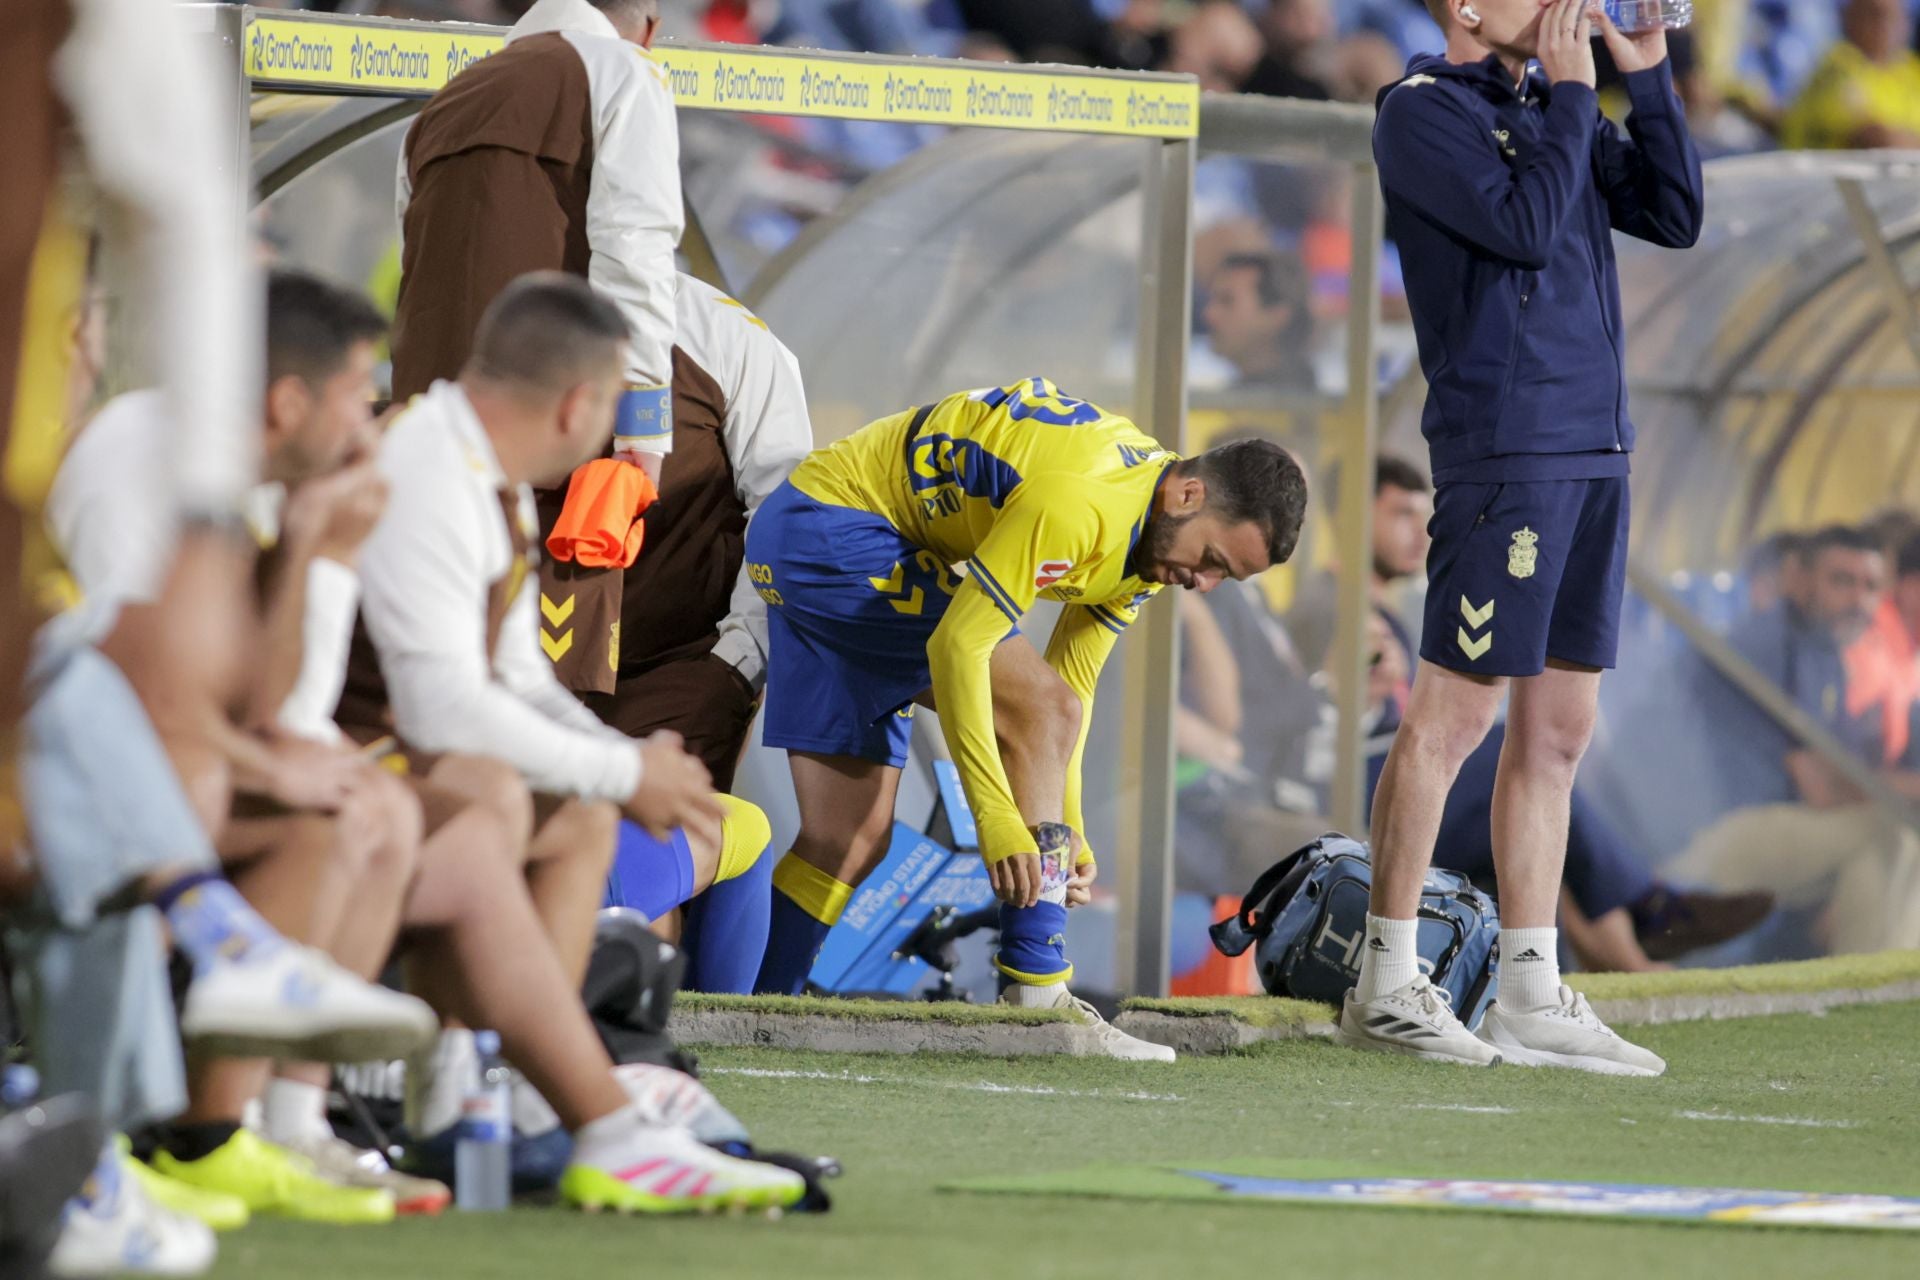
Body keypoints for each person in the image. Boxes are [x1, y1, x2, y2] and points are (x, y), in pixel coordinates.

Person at [344, 271, 804, 1211]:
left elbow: (516, 682)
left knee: (577, 821)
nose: (631, 441)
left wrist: (628, 769)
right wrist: (616, 765)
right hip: (344, 769)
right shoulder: (425, 469)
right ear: (581, 403)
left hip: (390, 768)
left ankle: (493, 1090)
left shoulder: (490, 482)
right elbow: (438, 709)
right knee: (501, 810)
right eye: (627, 410)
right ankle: (599, 1116)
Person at [747, 376, 1307, 1061]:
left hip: (816, 537)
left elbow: (1072, 682)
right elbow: (961, 648)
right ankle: (1036, 990)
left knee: (848, 835)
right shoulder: (1086, 501)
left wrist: (1067, 827)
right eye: (1213, 561)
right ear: (1188, 494)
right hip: (834, 528)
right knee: (1034, 707)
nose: (1203, 583)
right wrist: (998, 820)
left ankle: (749, 1009)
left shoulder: (1152, 540)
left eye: (1226, 579)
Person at [1348, 0, 1702, 1073]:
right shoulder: (1420, 110)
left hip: (1596, 447)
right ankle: (1386, 972)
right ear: (1464, 7)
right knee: (1456, 715)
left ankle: (1532, 986)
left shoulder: (1551, 106)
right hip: (1507, 448)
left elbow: (1675, 212)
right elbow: (1519, 228)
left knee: (1557, 733)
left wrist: (1647, 78)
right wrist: (1574, 95)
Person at [392, 0, 682, 482]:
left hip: (427, 431)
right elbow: (636, 250)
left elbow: (412, 262)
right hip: (550, 434)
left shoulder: (440, 103)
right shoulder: (626, 69)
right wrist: (642, 432)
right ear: (650, 31)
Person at [1663, 526, 1920, 954]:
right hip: (1704, 840)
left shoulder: (1829, 658)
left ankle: (1870, 1001)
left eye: (1871, 586)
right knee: (1890, 831)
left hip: (1770, 832)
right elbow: (1823, 787)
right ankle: (1871, 993)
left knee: (1885, 848)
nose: (1859, 600)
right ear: (1799, 580)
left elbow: (1846, 780)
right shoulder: (1772, 639)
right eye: (1841, 581)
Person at [1780, 0, 1920, 149]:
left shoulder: (1911, 69)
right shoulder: (1838, 65)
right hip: (1825, 171)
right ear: (1850, 19)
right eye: (1874, 15)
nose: (1885, 24)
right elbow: (1878, 139)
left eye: (1894, 16)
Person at [1200, 251, 1319, 392]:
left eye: (1227, 301)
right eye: (1212, 300)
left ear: (1277, 315)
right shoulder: (1239, 401)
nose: (1209, 314)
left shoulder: (1301, 406)